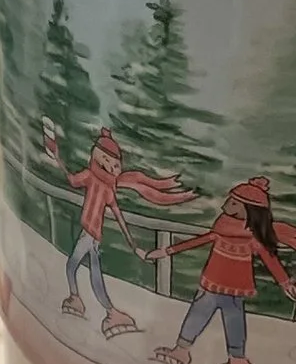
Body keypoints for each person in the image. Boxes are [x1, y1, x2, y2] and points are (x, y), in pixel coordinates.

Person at [42, 120, 197, 337]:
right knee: (84, 270)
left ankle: (96, 306)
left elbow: (119, 217)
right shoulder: (90, 176)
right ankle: (97, 306)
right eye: (105, 158)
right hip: (89, 234)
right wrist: (57, 156)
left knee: (76, 268)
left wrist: (133, 244)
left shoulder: (106, 189)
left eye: (112, 161)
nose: (109, 165)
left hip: (91, 236)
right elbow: (72, 180)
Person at [151, 180, 296, 364]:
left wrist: (285, 283)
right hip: (212, 285)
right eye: (231, 200)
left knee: (233, 322)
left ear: (250, 210)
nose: (226, 205)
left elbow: (270, 260)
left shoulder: (251, 238)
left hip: (233, 289)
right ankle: (181, 350)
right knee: (199, 315)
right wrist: (166, 251)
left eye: (234, 203)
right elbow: (197, 241)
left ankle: (237, 359)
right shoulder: (221, 230)